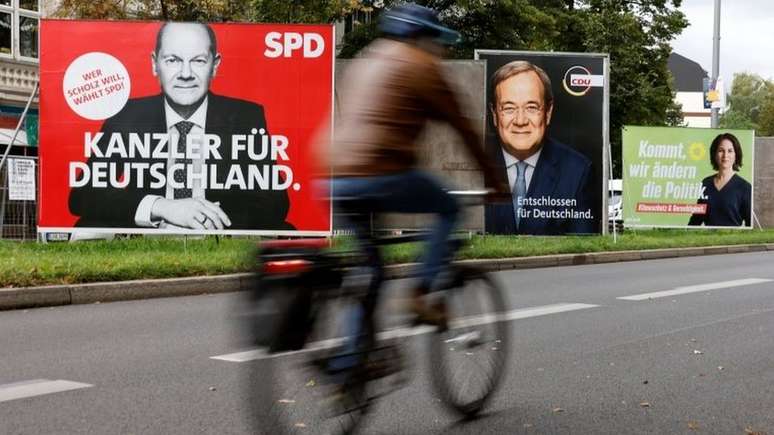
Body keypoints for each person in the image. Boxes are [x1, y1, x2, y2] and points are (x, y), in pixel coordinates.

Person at [324, 3, 508, 370]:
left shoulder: (365, 59)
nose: (439, 50)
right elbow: (466, 130)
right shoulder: (423, 66)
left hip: (335, 178)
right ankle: (421, 293)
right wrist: (494, 180)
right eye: (436, 41)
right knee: (449, 208)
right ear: (422, 38)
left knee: (370, 267)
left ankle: (348, 364)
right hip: (383, 172)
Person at [69, 22, 292, 231]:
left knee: (287, 230)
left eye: (198, 61)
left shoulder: (244, 116)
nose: (185, 74)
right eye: (173, 60)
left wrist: (202, 218)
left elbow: (275, 202)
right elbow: (83, 196)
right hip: (148, 231)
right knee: (85, 225)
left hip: (216, 234)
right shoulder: (127, 115)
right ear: (154, 64)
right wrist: (163, 207)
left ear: (215, 65)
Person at [484, 60, 595, 235]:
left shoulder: (577, 170)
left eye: (531, 107)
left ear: (548, 112)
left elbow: (582, 241)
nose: (521, 121)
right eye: (509, 108)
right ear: (495, 114)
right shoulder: (471, 161)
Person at [688, 133, 751, 227]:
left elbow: (750, 224)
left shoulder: (745, 187)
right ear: (715, 154)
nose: (725, 155)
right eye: (721, 150)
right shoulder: (706, 183)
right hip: (707, 239)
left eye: (730, 151)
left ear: (736, 155)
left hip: (732, 239)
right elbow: (696, 218)